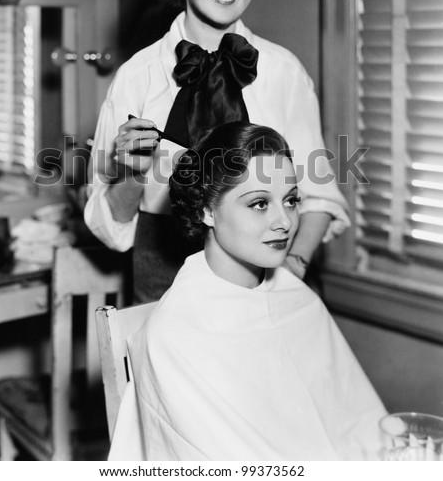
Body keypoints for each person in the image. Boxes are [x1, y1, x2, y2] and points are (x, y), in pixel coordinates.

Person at [84, 0, 350, 303]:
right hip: (164, 291)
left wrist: (292, 272)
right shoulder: (137, 77)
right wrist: (133, 174)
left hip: (270, 283)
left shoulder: (283, 71)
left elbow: (318, 195)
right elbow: (112, 228)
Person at [108, 122, 386, 461]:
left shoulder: (297, 298)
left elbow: (359, 425)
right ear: (206, 210)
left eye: (291, 200)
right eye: (259, 203)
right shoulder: (175, 336)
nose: (284, 221)